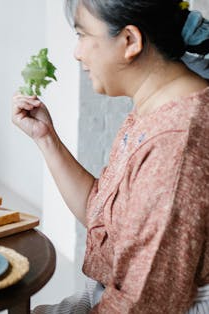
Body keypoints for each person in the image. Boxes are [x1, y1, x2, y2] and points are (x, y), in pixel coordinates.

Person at [12, 1, 209, 313]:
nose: (77, 53)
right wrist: (45, 137)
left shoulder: (175, 144)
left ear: (130, 41)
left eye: (83, 35)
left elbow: (144, 304)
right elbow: (103, 213)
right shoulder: (156, 107)